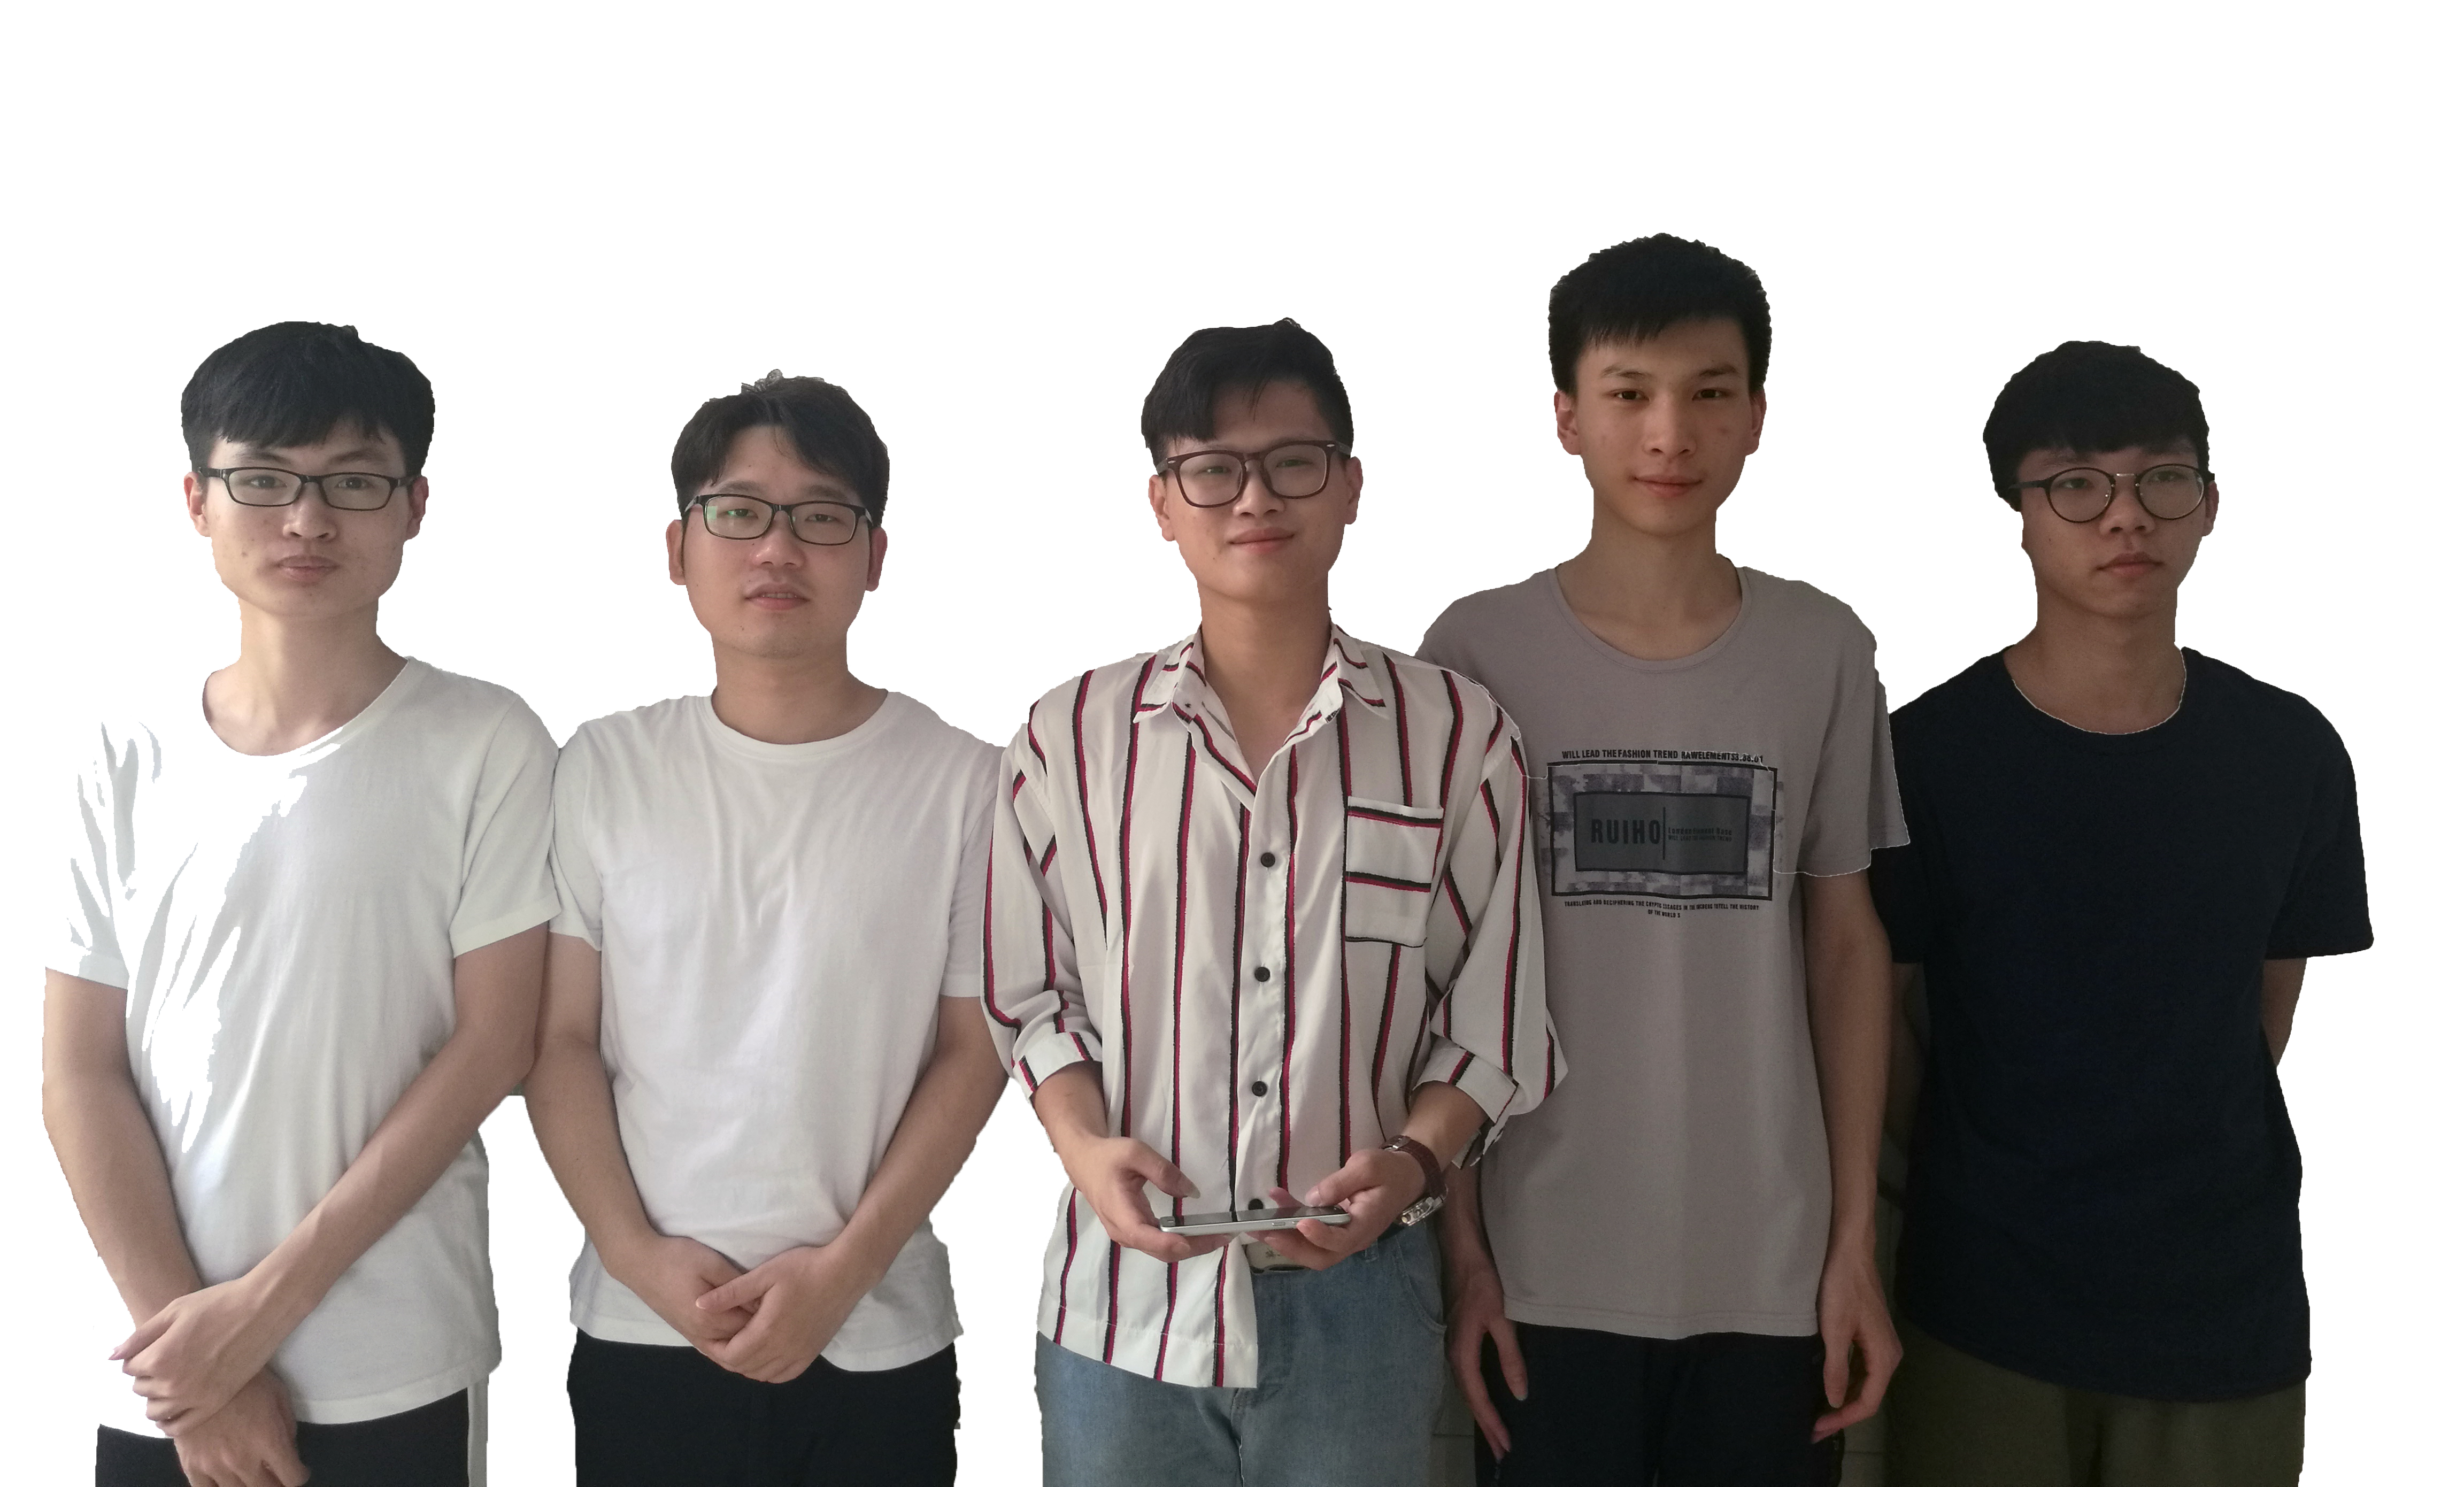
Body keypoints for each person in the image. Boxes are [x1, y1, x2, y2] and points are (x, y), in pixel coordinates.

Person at [982, 318, 1561, 1487]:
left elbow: (1494, 1019)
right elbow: (1032, 997)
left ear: (1350, 486)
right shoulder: (1070, 740)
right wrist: (1084, 1147)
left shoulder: (1456, 737)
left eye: (1294, 462)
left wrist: (1413, 1163)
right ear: (1162, 502)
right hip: (1123, 1314)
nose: (1255, 498)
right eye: (1213, 469)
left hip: (1365, 1308)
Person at [1419, 236, 1906, 1486]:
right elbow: (1441, 974)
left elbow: (1846, 946)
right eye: (1629, 393)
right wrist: (1464, 1253)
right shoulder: (1475, 653)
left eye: (1709, 392)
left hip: (1773, 1274)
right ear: (1568, 417)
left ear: (1756, 417)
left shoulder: (1823, 649)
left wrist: (1853, 1245)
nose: (1669, 434)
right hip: (1542, 1269)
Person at [43, 321, 555, 1487]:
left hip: (394, 1355)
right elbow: (78, 1074)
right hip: (160, 1365)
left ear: (414, 507)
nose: (308, 520)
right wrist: (200, 1358)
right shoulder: (123, 754)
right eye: (265, 480)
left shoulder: (487, 741)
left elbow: (494, 1046)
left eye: (353, 482)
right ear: (197, 500)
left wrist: (260, 1314)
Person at [1872, 341, 2371, 1487]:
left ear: (2210, 503)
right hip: (1986, 1300)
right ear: (2020, 512)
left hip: (2222, 1306)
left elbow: (2260, 1012)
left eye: (2162, 479)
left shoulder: (2288, 751)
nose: (2126, 516)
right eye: (2077, 484)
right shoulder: (1925, 755)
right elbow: (1880, 1020)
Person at [525, 371, 1006, 1487]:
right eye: (739, 512)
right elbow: (556, 1041)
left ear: (874, 556)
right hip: (646, 1329)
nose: (777, 549)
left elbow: (972, 1049)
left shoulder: (967, 783)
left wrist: (847, 1270)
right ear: (679, 547)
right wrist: (636, 1257)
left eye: (821, 517)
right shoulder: (604, 766)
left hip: (876, 1332)